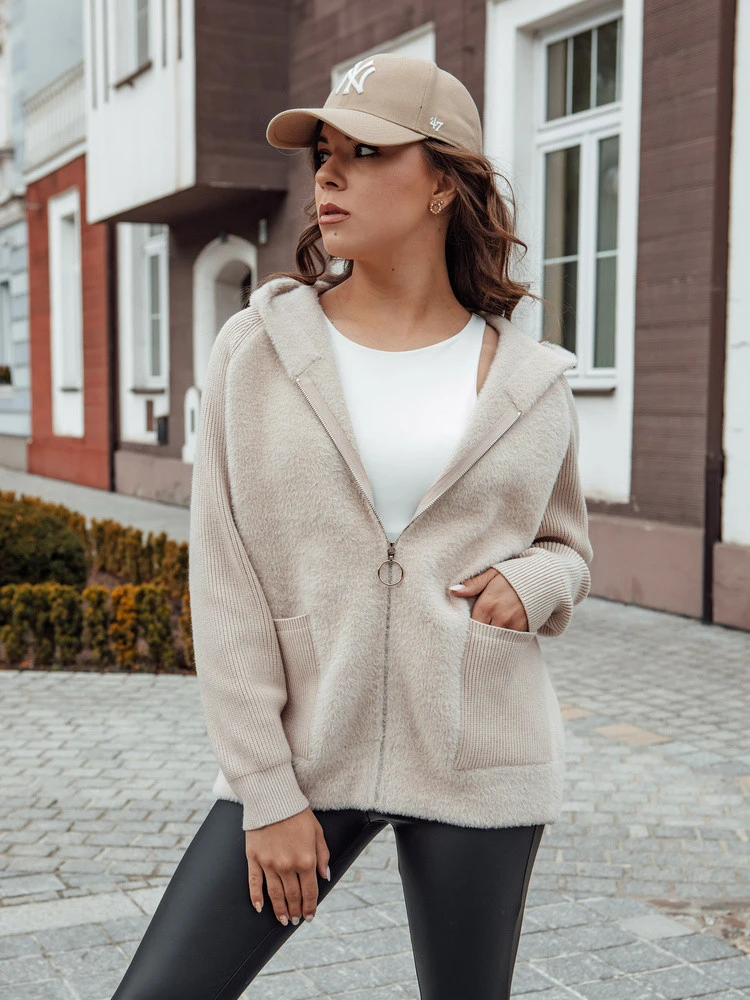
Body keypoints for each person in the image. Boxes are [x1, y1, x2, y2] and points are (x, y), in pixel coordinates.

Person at [110, 52, 593, 1000]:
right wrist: (266, 792)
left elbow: (567, 548)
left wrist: (536, 582)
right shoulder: (259, 350)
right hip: (305, 752)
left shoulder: (531, 381)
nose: (329, 172)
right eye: (324, 152)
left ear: (443, 184)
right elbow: (225, 581)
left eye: (367, 152)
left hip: (478, 754)